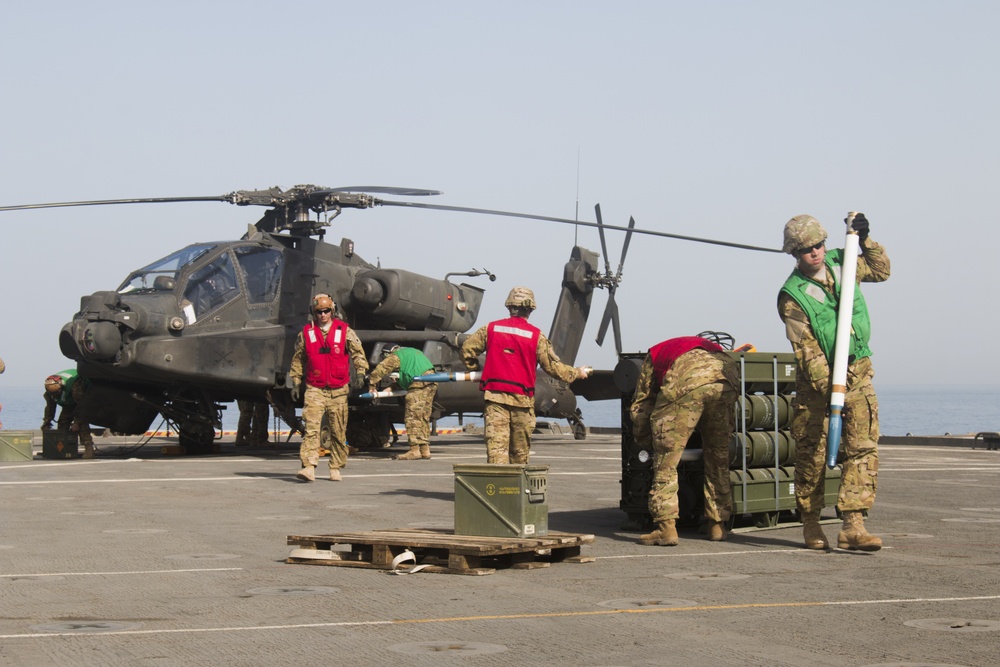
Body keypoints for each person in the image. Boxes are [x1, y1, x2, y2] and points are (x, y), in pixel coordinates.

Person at [778, 213, 890, 551]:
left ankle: (853, 525)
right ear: (794, 253)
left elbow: (881, 270)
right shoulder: (792, 296)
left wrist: (864, 239)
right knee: (811, 455)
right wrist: (833, 390)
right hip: (818, 384)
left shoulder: (845, 260)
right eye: (806, 248)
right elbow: (807, 352)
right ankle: (811, 522)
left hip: (858, 371)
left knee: (862, 448)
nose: (815, 252)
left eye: (818, 244)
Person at [629, 335, 740, 546]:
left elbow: (642, 405)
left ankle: (665, 528)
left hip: (687, 380)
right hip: (726, 376)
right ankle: (717, 525)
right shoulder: (708, 348)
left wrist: (645, 439)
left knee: (666, 461)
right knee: (718, 458)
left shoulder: (654, 354)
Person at [461, 286, 590, 464]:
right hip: (522, 401)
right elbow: (553, 367)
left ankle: (498, 482)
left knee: (497, 455)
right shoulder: (536, 336)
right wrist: (577, 372)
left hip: (495, 400)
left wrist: (475, 368)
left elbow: (467, 349)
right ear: (531, 309)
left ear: (509, 306)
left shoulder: (490, 329)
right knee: (519, 456)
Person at [288, 294, 368, 482]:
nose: (323, 315)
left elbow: (358, 353)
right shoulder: (306, 333)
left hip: (338, 389)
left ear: (332, 311)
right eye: (319, 312)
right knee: (311, 428)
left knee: (338, 430)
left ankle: (336, 466)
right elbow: (298, 359)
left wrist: (361, 372)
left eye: (326, 311)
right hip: (315, 388)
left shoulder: (344, 331)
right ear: (314, 313)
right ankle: (309, 467)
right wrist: (295, 381)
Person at [368, 345, 437, 460]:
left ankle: (414, 450)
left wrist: (372, 386)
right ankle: (425, 449)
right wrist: (392, 387)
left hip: (418, 383)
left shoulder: (396, 356)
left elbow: (380, 370)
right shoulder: (412, 352)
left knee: (412, 417)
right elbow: (410, 373)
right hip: (432, 381)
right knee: (423, 416)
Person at [41, 369, 95, 459]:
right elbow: (50, 407)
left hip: (83, 400)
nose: (55, 396)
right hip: (69, 402)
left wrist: (76, 423)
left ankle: (89, 449)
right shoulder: (50, 392)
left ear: (61, 387)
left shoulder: (75, 387)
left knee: (82, 425)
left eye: (57, 393)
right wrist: (47, 422)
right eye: (53, 394)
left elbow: (82, 406)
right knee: (62, 423)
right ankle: (63, 450)